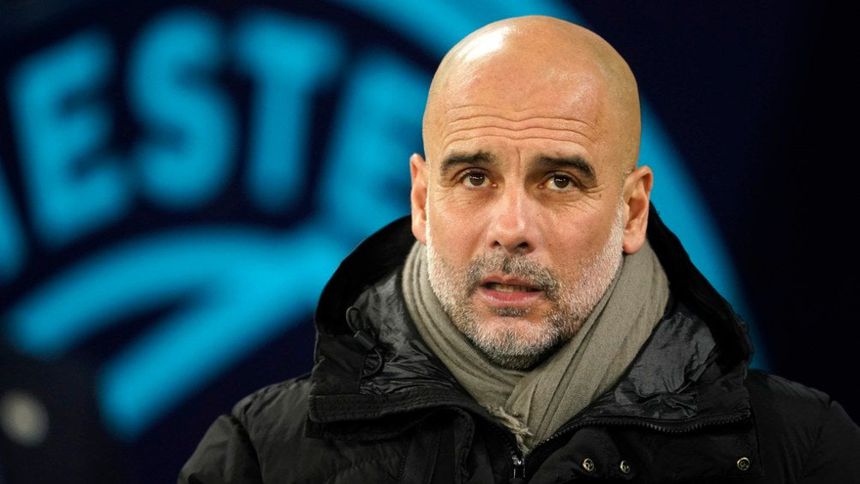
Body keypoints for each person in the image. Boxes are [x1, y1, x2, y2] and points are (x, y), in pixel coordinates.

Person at [179, 16, 860, 483]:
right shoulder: (258, 457)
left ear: (632, 210)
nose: (511, 227)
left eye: (559, 180)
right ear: (422, 201)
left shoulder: (802, 451)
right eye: (474, 177)